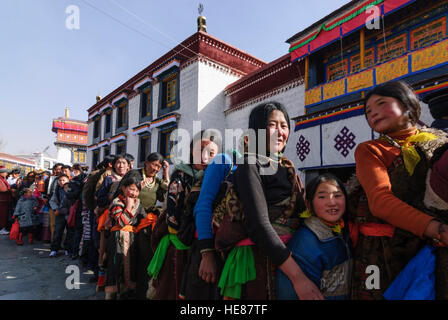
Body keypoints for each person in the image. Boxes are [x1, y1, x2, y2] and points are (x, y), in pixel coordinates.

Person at [351, 80, 448, 300]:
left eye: (381, 104)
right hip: (383, 252)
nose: (373, 113)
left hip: (431, 245)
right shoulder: (370, 150)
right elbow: (380, 202)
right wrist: (437, 229)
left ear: (408, 106)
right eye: (368, 111)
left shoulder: (439, 142)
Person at [216, 102, 323, 300]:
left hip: (287, 254)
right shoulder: (250, 164)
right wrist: (297, 277)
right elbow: (258, 224)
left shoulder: (286, 166)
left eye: (284, 125)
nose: (280, 132)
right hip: (256, 261)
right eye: (272, 124)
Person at [148, 130, 219, 299]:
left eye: (211, 153)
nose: (205, 156)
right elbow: (174, 218)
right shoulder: (180, 177)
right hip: (183, 244)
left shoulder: (217, 177)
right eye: (200, 150)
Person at [276, 174, 352, 300]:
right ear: (308, 204)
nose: (332, 202)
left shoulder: (342, 231)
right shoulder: (305, 243)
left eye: (338, 195)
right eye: (322, 197)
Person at [121, 152, 170, 299]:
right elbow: (123, 191)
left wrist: (166, 172)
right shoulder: (135, 175)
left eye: (159, 167)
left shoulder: (157, 180)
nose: (156, 168)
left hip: (145, 221)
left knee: (144, 255)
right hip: (130, 217)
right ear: (146, 162)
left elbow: (164, 194)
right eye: (154, 164)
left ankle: (142, 289)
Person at [103, 175, 150, 299]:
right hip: (118, 240)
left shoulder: (138, 204)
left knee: (131, 267)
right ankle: (114, 294)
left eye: (137, 190)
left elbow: (143, 219)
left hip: (132, 240)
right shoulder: (116, 202)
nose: (134, 193)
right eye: (131, 189)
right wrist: (129, 206)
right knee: (117, 266)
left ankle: (128, 293)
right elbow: (121, 222)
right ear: (123, 188)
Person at [95, 155, 131, 291]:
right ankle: (104, 283)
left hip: (127, 218)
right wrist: (111, 197)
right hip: (109, 218)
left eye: (123, 163)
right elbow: (100, 199)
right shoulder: (108, 179)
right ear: (114, 165)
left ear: (129, 165)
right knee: (106, 251)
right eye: (118, 163)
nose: (121, 166)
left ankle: (124, 283)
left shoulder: (132, 179)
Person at [48, 174, 71, 257]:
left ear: (68, 180)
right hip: (60, 213)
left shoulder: (71, 189)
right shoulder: (57, 190)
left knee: (69, 232)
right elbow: (52, 201)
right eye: (60, 180)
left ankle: (67, 249)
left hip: (69, 213)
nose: (62, 182)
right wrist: (56, 209)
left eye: (64, 180)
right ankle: (54, 249)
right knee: (57, 231)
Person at [47, 163, 63, 241]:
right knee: (53, 224)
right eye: (57, 169)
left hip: (63, 205)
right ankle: (54, 241)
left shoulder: (67, 179)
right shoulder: (50, 179)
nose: (59, 171)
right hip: (52, 204)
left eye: (60, 169)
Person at [0, 166, 12, 235]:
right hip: (2, 200)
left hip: (4, 200)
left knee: (3, 215)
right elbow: (2, 189)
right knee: (2, 215)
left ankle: (2, 228)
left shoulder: (3, 179)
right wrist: (9, 190)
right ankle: (2, 229)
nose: (6, 174)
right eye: (5, 172)